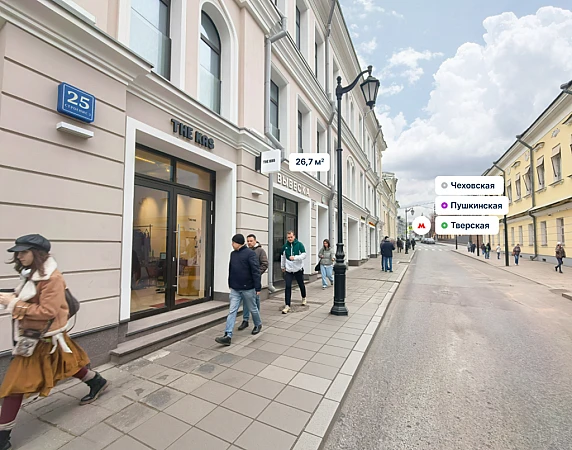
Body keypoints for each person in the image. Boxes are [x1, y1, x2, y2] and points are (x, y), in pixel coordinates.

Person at [0, 235, 109, 450]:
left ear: (37, 253)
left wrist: (13, 304)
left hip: (40, 338)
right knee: (68, 363)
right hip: (42, 336)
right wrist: (10, 297)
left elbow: (47, 311)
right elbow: (30, 298)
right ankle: (97, 382)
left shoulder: (53, 278)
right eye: (18, 252)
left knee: (14, 385)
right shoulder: (30, 273)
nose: (19, 256)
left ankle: (2, 437)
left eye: (23, 252)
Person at [215, 234, 262, 346]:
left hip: (248, 288)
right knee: (232, 311)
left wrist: (258, 287)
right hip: (235, 288)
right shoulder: (233, 254)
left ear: (238, 243)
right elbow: (231, 269)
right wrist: (230, 283)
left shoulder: (250, 254)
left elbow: (255, 271)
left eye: (233, 242)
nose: (232, 244)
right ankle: (228, 335)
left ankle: (258, 324)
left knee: (253, 308)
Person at [238, 234, 268, 331]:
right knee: (246, 300)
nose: (249, 243)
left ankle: (257, 321)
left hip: (255, 280)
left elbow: (265, 264)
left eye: (251, 241)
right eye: (248, 241)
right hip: (246, 281)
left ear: (255, 241)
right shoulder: (245, 251)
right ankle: (245, 320)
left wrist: (256, 273)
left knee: (255, 300)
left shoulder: (260, 251)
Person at [280, 231, 307, 314]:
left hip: (298, 269)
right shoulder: (285, 246)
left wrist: (295, 257)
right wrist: (282, 266)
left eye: (291, 237)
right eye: (288, 237)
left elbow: (304, 255)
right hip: (289, 270)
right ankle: (287, 305)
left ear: (294, 237)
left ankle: (303, 297)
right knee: (288, 286)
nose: (290, 239)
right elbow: (283, 257)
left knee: (301, 284)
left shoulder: (299, 245)